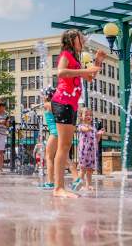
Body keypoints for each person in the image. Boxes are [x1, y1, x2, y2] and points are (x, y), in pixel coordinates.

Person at [51, 29, 104, 198]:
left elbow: (89, 78)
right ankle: (58, 188)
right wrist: (83, 71)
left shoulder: (76, 59)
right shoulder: (66, 53)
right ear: (72, 40)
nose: (83, 40)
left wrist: (98, 61)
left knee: (66, 146)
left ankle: (60, 187)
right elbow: (61, 72)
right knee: (63, 146)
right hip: (62, 101)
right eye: (81, 38)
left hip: (71, 104)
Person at [73, 108, 104, 191]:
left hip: (92, 152)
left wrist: (99, 134)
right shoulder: (81, 126)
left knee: (90, 170)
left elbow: (97, 140)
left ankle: (89, 185)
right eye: (86, 115)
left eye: (90, 115)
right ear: (80, 117)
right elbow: (84, 130)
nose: (89, 116)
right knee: (83, 169)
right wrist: (89, 129)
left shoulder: (93, 128)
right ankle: (79, 184)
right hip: (84, 151)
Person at [39, 86, 57, 189]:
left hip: (54, 133)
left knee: (49, 158)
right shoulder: (56, 105)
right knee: (65, 158)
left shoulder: (46, 105)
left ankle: (50, 182)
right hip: (60, 133)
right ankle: (76, 177)